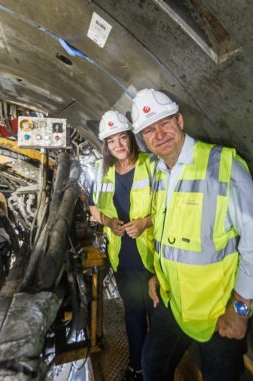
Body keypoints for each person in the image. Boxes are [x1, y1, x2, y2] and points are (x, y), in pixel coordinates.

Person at [130, 89, 253, 381]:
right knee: (152, 365)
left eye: (164, 123)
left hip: (218, 313)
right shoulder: (159, 172)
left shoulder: (221, 166)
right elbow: (169, 234)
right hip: (172, 303)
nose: (159, 134)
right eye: (149, 130)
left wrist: (240, 308)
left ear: (179, 120)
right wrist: (158, 275)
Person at [89, 110, 155, 381]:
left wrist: (145, 223)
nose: (118, 145)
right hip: (122, 257)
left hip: (152, 257)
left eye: (122, 138)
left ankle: (157, 368)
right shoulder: (101, 171)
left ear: (131, 138)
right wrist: (108, 221)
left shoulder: (151, 164)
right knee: (134, 314)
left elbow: (168, 207)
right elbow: (93, 207)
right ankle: (138, 366)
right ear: (106, 145)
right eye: (112, 141)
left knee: (158, 317)